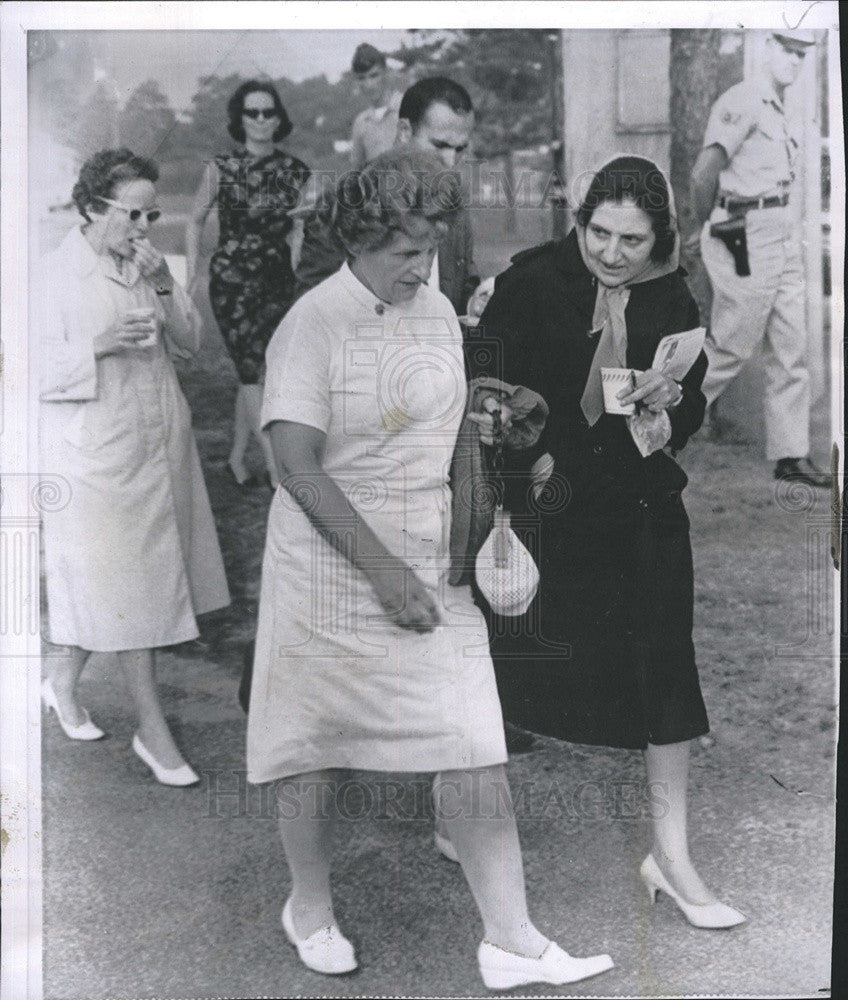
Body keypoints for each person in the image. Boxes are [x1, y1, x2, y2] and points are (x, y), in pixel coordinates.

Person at [245, 150, 613, 989]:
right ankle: (307, 906)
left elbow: (442, 424)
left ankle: (511, 941)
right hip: (331, 564)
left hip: (427, 556)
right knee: (314, 750)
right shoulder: (314, 322)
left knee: (473, 739)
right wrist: (380, 574)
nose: (421, 266)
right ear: (360, 240)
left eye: (431, 247)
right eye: (403, 251)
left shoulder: (437, 307)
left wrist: (493, 427)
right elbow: (294, 462)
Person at [475, 155, 747, 930]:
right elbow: (487, 391)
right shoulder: (530, 282)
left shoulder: (670, 293)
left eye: (633, 239)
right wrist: (529, 455)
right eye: (600, 233)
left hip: (636, 501)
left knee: (667, 667)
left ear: (658, 235)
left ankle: (672, 856)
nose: (614, 253)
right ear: (580, 220)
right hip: (548, 503)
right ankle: (457, 815)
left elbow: (686, 416)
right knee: (503, 662)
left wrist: (671, 404)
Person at [37, 148, 230, 785]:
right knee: (130, 592)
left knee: (131, 584)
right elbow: (25, 370)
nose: (146, 227)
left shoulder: (150, 264)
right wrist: (100, 344)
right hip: (96, 453)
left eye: (153, 213)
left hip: (159, 440)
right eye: (134, 214)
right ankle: (154, 733)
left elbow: (193, 343)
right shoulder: (53, 275)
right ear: (93, 208)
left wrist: (170, 285)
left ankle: (61, 678)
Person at [690, 29, 828, 489]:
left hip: (780, 230)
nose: (792, 60)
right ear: (765, 48)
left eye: (800, 53)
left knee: (792, 349)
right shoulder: (744, 99)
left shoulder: (778, 105)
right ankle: (657, 425)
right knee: (731, 344)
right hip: (743, 232)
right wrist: (704, 222)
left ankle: (792, 455)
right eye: (785, 49)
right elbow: (703, 171)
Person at [185, 79, 310, 489]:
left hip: (277, 280)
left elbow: (299, 231)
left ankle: (238, 457)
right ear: (240, 119)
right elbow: (194, 219)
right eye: (251, 112)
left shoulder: (296, 171)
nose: (260, 120)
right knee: (251, 369)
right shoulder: (220, 168)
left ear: (279, 118)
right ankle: (276, 468)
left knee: (257, 370)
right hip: (232, 281)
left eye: (267, 112)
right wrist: (192, 272)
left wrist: (297, 273)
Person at [295, 76, 487, 324]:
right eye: (440, 145)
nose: (450, 162)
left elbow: (460, 287)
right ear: (404, 131)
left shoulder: (452, 207)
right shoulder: (343, 204)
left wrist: (475, 303)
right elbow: (311, 311)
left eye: (460, 149)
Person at [349, 42, 404, 169]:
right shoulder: (361, 122)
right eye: (361, 78)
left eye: (374, 75)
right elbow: (356, 173)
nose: (369, 84)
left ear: (386, 72)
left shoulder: (409, 106)